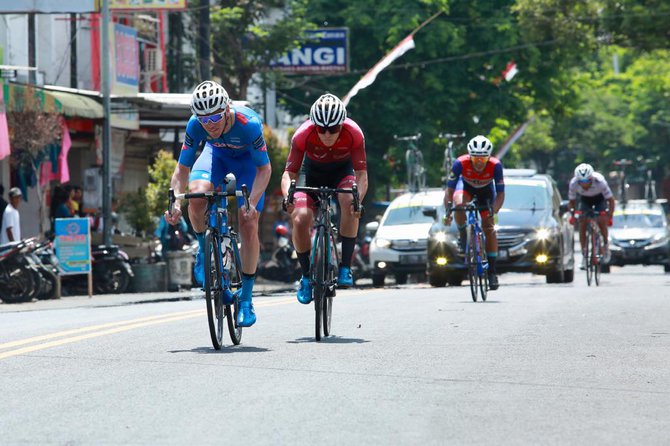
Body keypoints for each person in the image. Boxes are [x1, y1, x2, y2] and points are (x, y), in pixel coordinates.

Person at [165, 80, 271, 328]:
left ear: (226, 110)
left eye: (214, 118)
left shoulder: (249, 125)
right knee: (196, 196)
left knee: (247, 220)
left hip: (248, 165)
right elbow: (182, 169)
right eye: (204, 120)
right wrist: (175, 204)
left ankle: (245, 299)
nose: (209, 125)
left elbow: (264, 169)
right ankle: (204, 250)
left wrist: (251, 203)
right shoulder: (196, 125)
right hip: (216, 158)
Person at [280, 93, 368, 304]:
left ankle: (346, 267)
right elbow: (288, 174)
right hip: (310, 174)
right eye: (322, 128)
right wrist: (287, 197)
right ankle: (306, 277)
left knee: (349, 202)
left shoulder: (354, 133)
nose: (327, 134)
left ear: (342, 124)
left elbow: (362, 175)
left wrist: (359, 201)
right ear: (314, 125)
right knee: (300, 218)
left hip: (342, 173)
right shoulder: (302, 135)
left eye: (333, 128)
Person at [443, 135, 505, 290]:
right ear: (469, 156)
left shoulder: (496, 165)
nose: (478, 162)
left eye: (483, 159)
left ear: (489, 157)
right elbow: (449, 191)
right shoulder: (460, 163)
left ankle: (492, 271)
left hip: (486, 193)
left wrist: (494, 212)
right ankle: (464, 232)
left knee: (489, 228)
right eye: (475, 158)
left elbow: (501, 194)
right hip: (466, 189)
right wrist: (448, 211)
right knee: (459, 204)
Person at [568, 163, 615, 269]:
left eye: (587, 181)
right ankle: (584, 256)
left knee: (602, 221)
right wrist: (573, 214)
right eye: (582, 181)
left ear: (591, 178)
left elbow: (611, 201)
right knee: (582, 224)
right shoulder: (574, 183)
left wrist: (609, 216)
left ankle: (606, 246)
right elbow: (572, 202)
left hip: (599, 199)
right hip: (585, 200)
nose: (584, 184)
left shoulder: (600, 182)